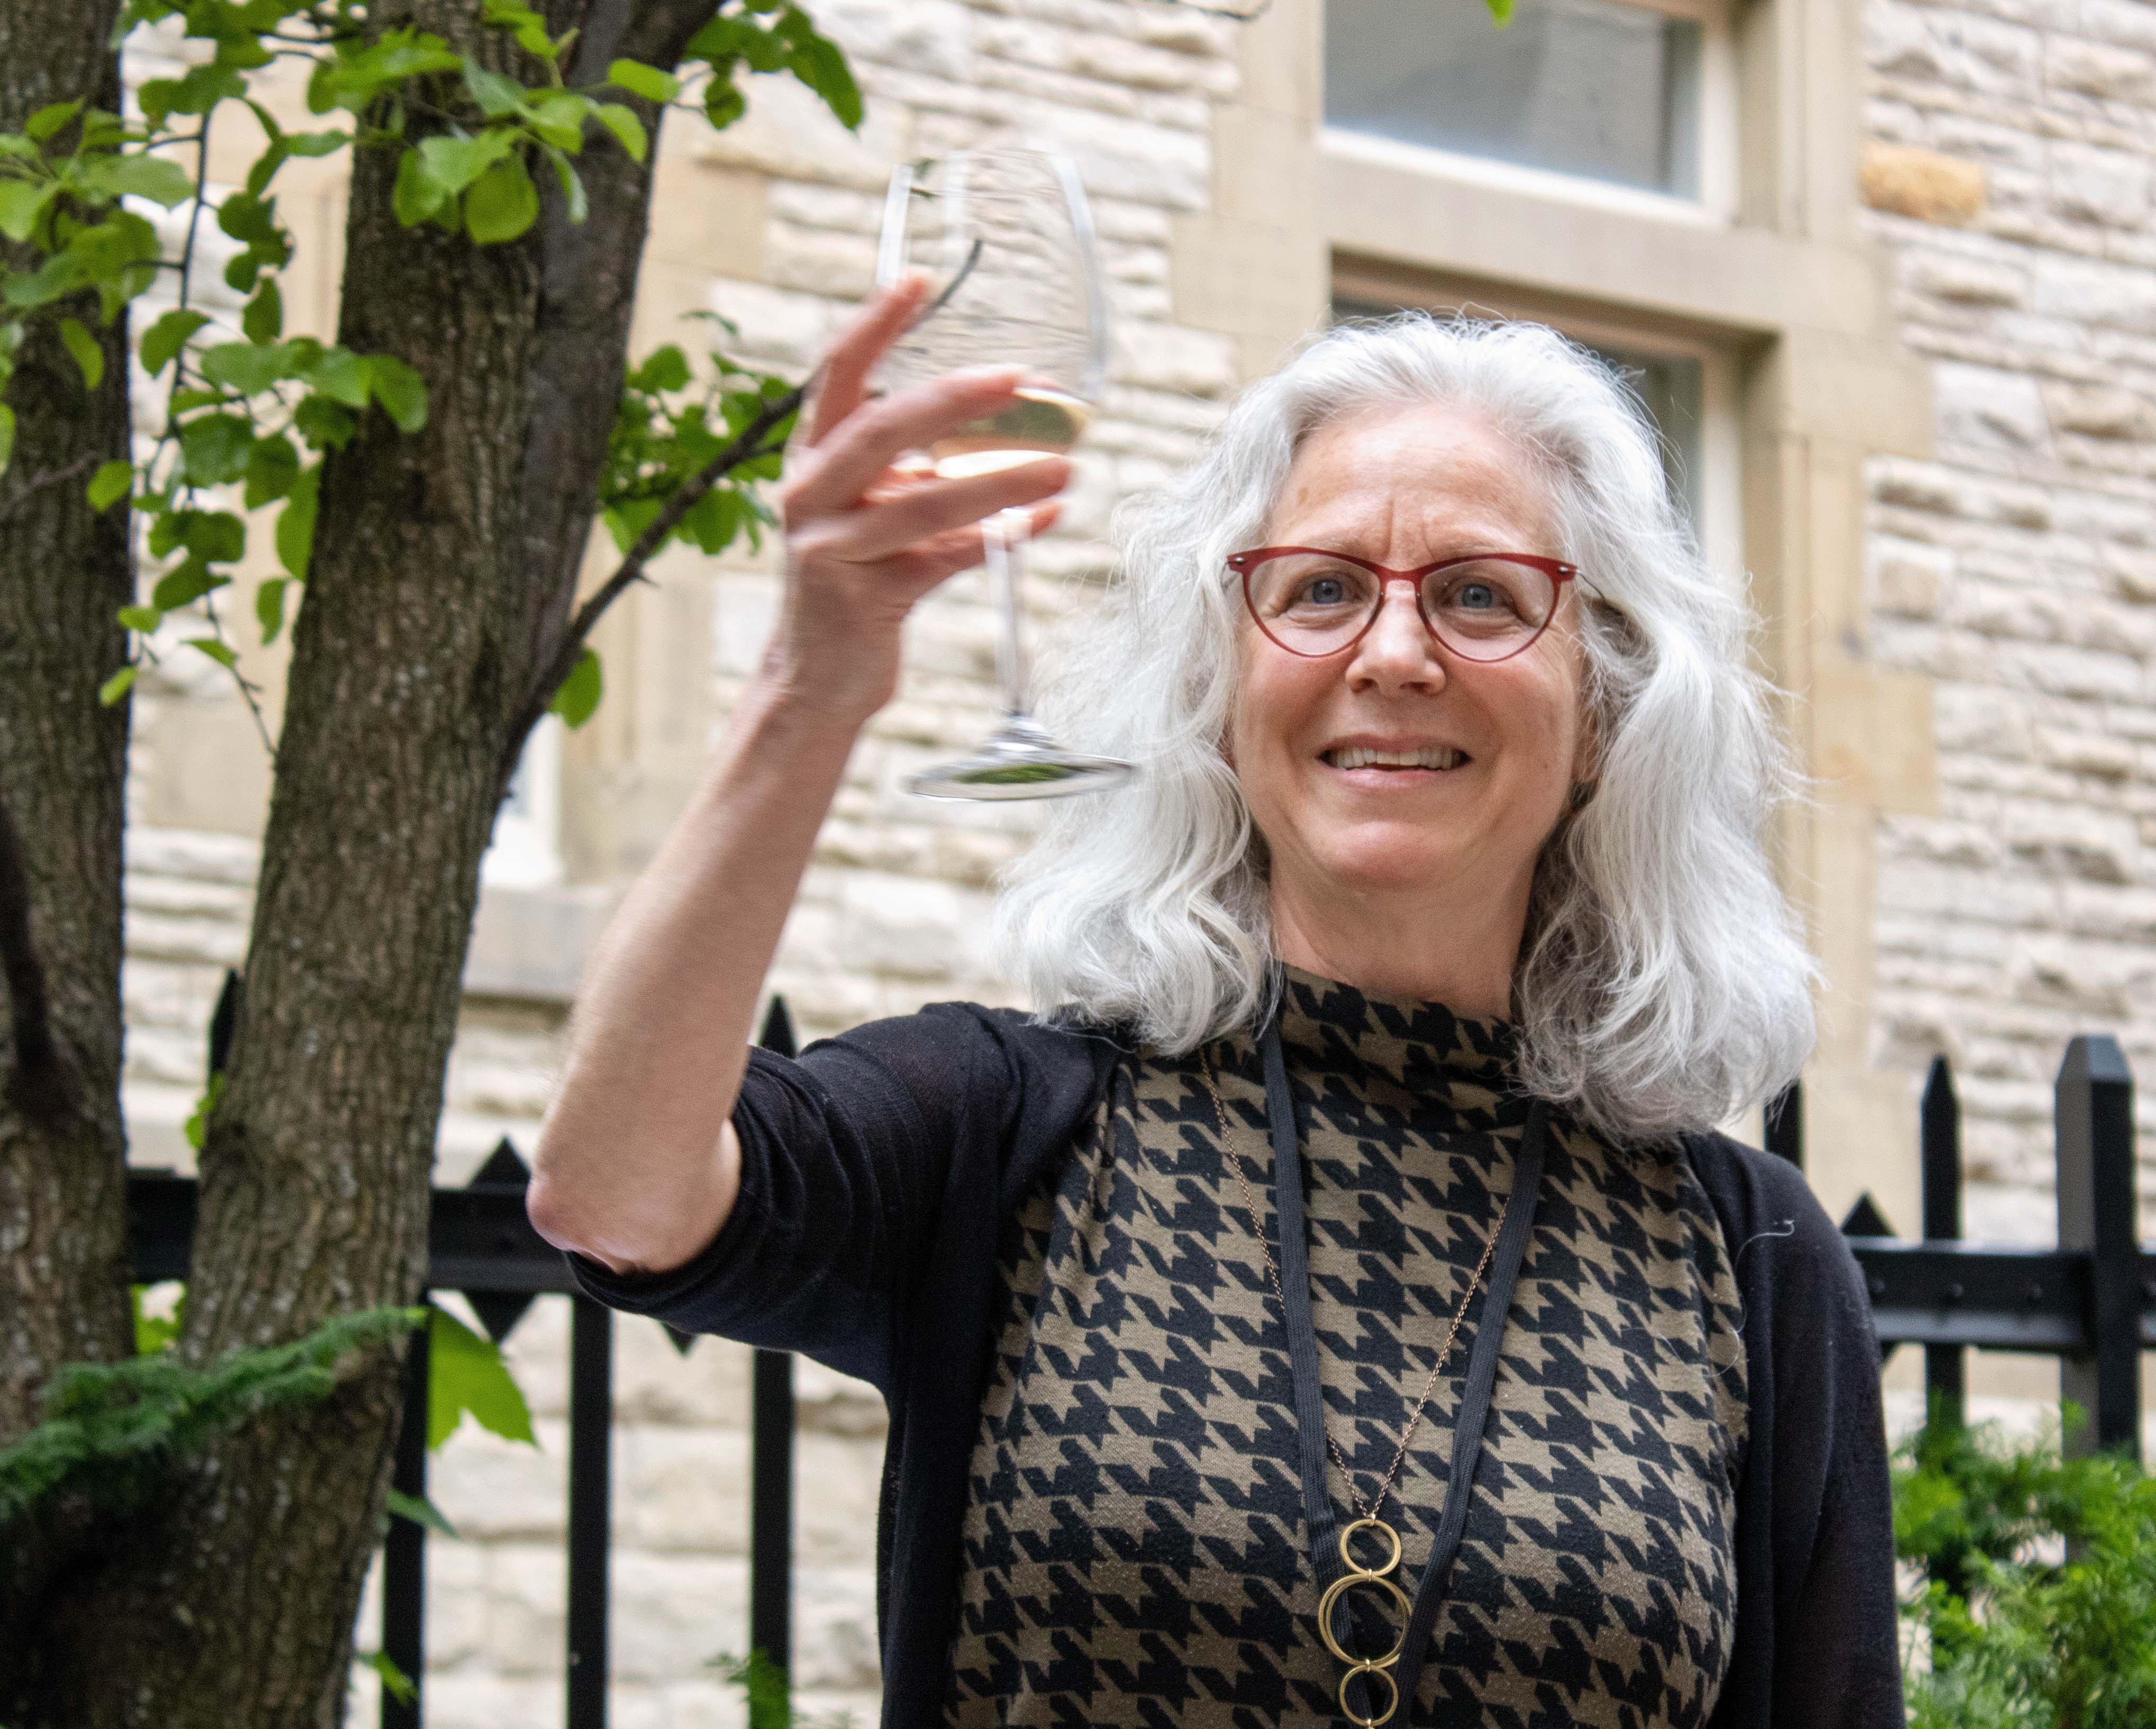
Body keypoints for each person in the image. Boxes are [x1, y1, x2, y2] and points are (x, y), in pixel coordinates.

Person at [528, 276, 1905, 1729]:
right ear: (1224, 692)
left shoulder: (1746, 1264)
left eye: (1481, 594)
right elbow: (616, 1190)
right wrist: (814, 678)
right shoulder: (1016, 1130)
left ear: (1605, 713)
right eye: (1318, 588)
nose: (1390, 653)